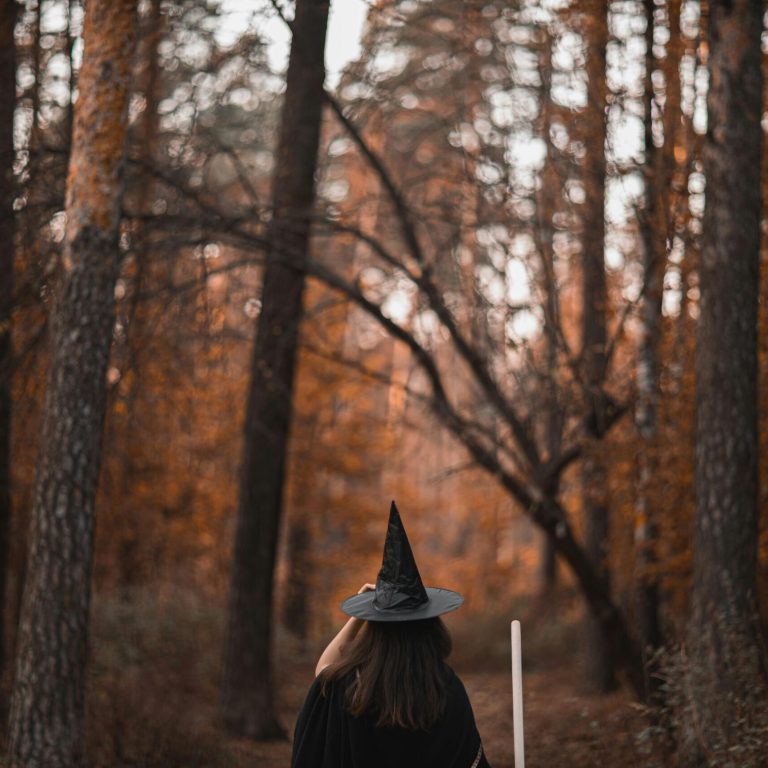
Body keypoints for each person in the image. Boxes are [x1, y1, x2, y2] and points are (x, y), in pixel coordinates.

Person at [291, 501, 492, 768]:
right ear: (430, 627)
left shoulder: (349, 687)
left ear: (376, 629)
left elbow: (323, 672)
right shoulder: (445, 687)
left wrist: (359, 617)